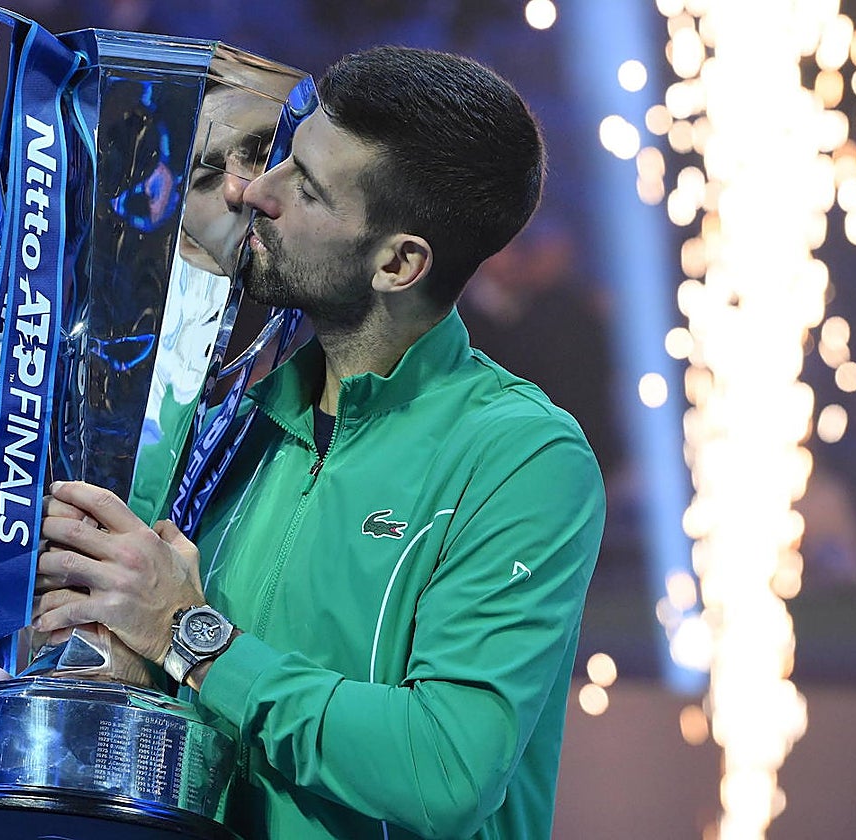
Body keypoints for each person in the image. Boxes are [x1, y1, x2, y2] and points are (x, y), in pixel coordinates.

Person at [33, 46, 606, 839]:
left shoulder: (521, 458)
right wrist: (105, 642)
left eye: (304, 188)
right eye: (283, 159)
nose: (252, 191)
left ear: (399, 263)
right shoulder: (228, 419)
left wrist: (188, 636)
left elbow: (446, 769)